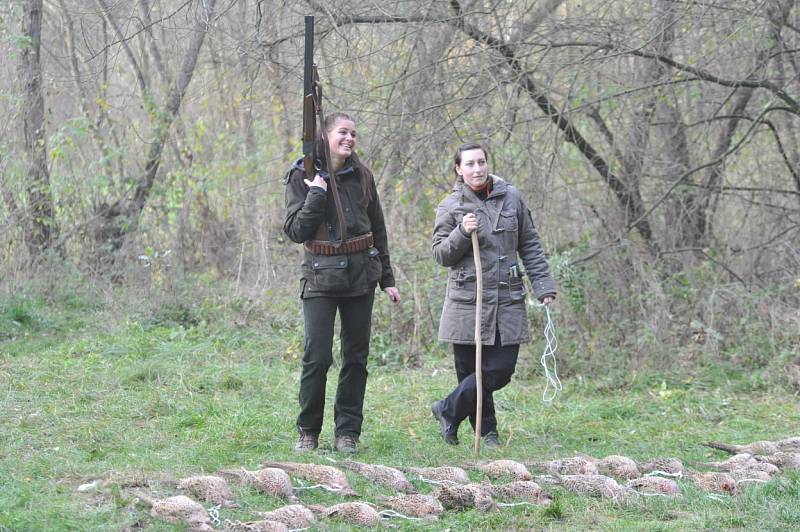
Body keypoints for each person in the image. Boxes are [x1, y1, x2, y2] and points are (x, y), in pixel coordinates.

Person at [283, 112, 401, 454]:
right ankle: (308, 432)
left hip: (361, 276)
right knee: (316, 357)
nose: (349, 139)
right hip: (319, 275)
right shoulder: (301, 175)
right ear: (325, 135)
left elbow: (377, 228)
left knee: (356, 358)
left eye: (354, 134)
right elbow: (295, 231)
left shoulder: (362, 176)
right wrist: (316, 194)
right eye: (342, 132)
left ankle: (347, 432)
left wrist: (387, 279)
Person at [430, 142, 556, 448]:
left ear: (488, 164)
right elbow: (440, 254)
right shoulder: (451, 206)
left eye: (481, 162)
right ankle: (487, 434)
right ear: (458, 170)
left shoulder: (511, 197)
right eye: (469, 164)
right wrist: (461, 232)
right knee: (469, 372)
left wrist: (544, 286)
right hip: (466, 301)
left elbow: (530, 244)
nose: (477, 169)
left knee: (499, 370)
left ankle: (447, 410)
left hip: (506, 298)